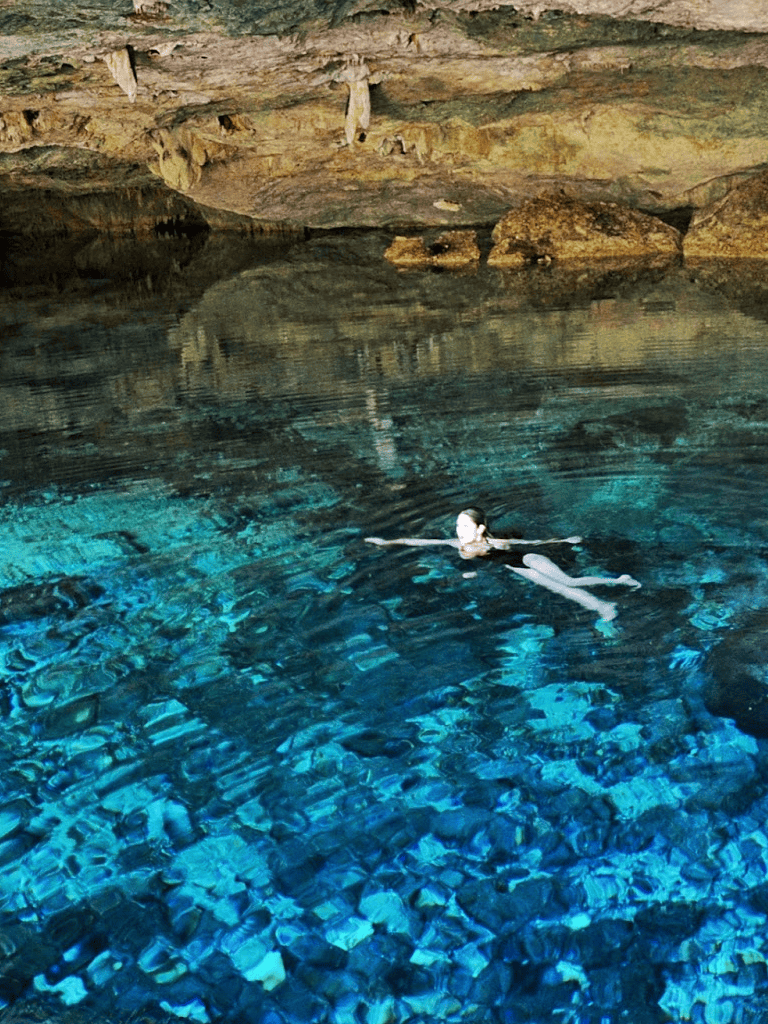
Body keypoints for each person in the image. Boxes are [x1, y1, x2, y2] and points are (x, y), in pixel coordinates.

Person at [366, 507, 640, 622]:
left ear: (480, 528)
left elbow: (530, 545)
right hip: (515, 568)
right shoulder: (455, 545)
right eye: (457, 525)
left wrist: (564, 541)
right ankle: (604, 606)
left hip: (528, 559)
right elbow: (421, 542)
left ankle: (619, 581)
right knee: (562, 590)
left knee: (567, 581)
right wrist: (387, 543)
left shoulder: (495, 544)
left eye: (465, 525)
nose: (459, 529)